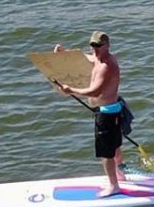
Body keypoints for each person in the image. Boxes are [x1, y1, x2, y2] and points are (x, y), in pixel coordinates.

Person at [54, 31, 128, 195]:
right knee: (115, 146)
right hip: (113, 109)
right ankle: (121, 175)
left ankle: (114, 186)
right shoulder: (100, 58)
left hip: (106, 114)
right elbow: (88, 58)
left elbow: (95, 92)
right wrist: (64, 53)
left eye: (98, 46)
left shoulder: (106, 66)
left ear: (107, 46)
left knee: (106, 154)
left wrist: (70, 90)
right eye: (92, 45)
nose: (94, 49)